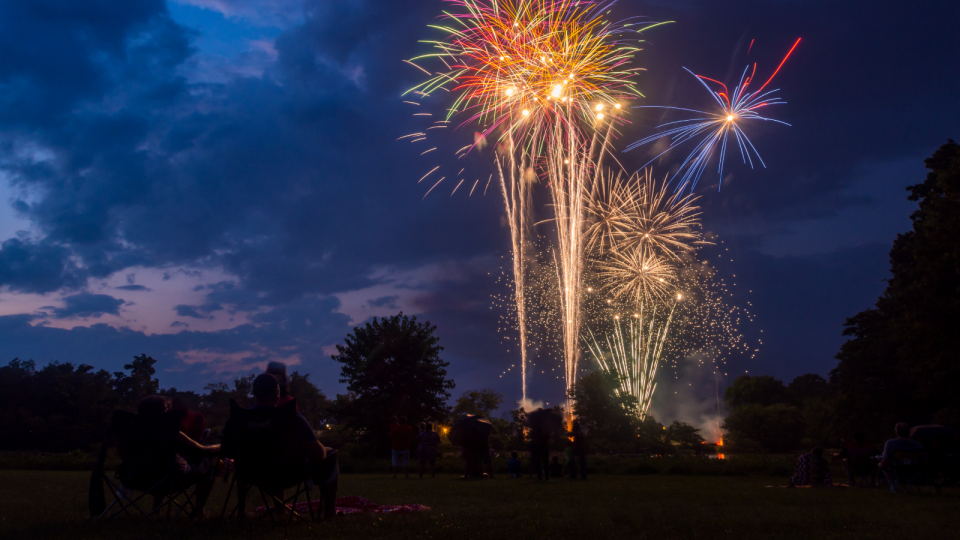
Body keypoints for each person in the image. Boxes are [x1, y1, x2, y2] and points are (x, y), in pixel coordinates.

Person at [249, 374, 339, 518]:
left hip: (253, 475)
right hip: (288, 473)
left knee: (273, 460)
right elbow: (319, 454)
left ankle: (281, 511)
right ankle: (330, 514)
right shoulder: (289, 417)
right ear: (277, 393)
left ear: (254, 393)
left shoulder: (238, 419)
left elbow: (227, 450)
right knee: (330, 454)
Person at [137, 395, 220, 518]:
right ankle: (199, 510)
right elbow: (201, 450)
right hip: (173, 477)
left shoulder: (135, 431)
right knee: (208, 464)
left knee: (161, 466)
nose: (169, 411)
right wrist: (221, 447)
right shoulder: (171, 431)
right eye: (166, 408)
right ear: (163, 411)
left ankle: (156, 510)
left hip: (137, 477)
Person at [879, 422, 925, 493]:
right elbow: (925, 460)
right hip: (915, 471)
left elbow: (885, 460)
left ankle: (893, 486)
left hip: (897, 470)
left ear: (897, 432)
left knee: (882, 465)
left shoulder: (891, 443)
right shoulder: (918, 445)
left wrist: (880, 464)